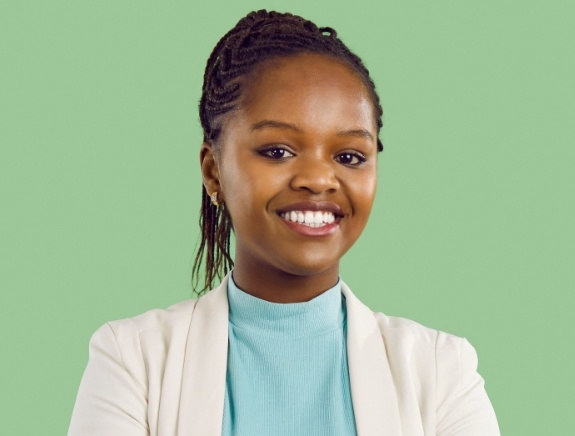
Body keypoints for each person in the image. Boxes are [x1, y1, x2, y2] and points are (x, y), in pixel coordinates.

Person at [68, 10, 500, 436]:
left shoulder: (444, 372)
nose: (317, 179)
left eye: (349, 156)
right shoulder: (131, 361)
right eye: (277, 151)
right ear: (213, 170)